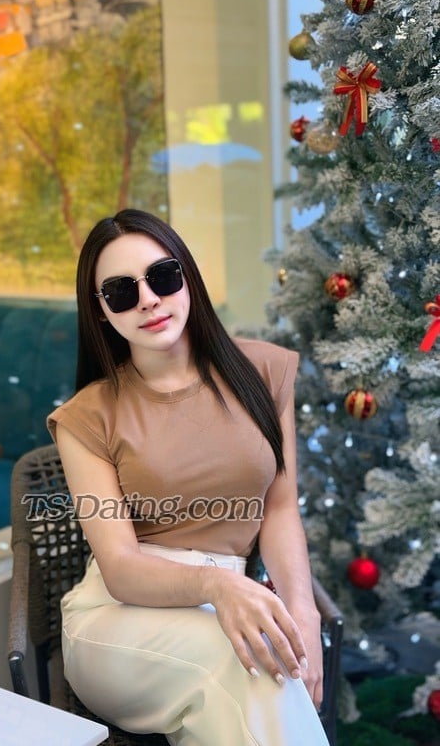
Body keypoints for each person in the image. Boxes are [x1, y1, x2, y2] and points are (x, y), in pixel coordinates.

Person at [47, 208, 330, 746]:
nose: (148, 299)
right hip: (119, 620)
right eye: (121, 291)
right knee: (246, 659)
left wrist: (303, 614)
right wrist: (217, 585)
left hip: (224, 605)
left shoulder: (263, 373)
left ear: (187, 278)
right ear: (101, 312)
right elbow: (121, 569)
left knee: (256, 662)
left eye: (162, 276)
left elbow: (278, 507)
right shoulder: (86, 417)